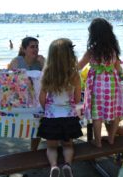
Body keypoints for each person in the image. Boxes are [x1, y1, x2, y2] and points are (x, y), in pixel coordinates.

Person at [78, 18, 123, 147]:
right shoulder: (113, 50)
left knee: (97, 113)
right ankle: (111, 138)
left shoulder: (92, 51)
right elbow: (118, 69)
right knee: (114, 110)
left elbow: (78, 66)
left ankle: (98, 142)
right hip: (112, 84)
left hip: (96, 85)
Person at [37, 38, 82, 177]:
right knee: (68, 145)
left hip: (52, 117)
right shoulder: (74, 74)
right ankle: (67, 164)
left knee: (51, 147)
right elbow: (77, 98)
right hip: (69, 116)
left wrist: (47, 109)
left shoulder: (47, 73)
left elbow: (42, 97)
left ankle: (54, 166)